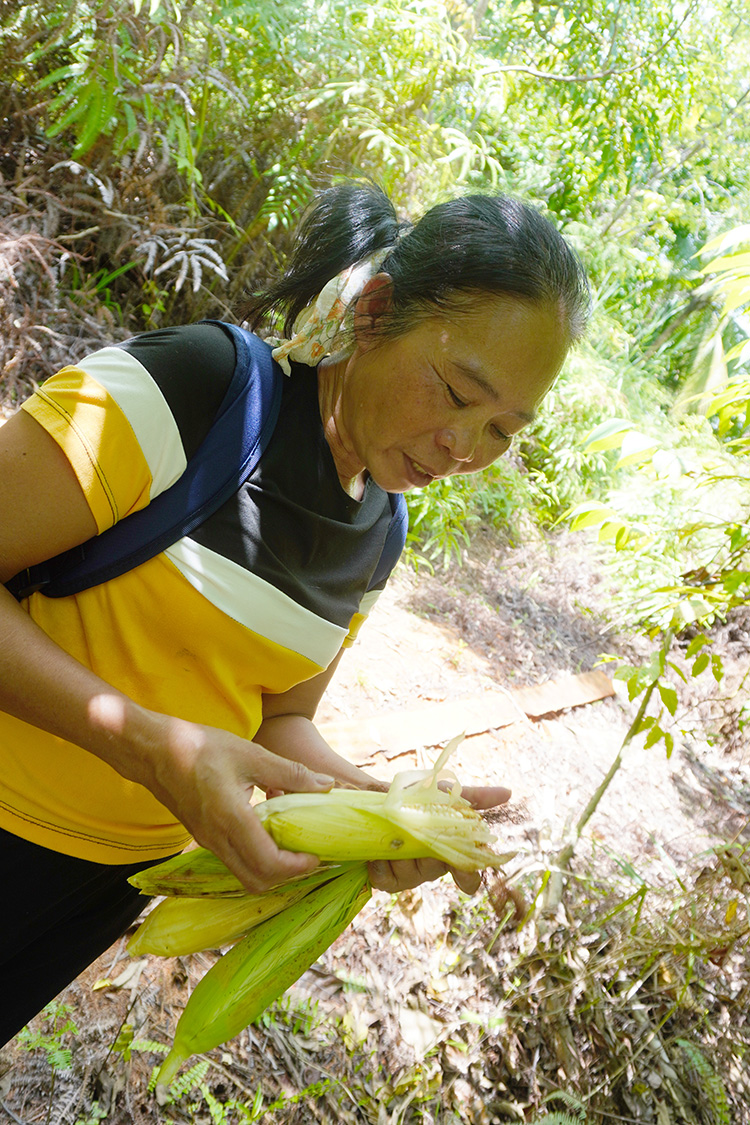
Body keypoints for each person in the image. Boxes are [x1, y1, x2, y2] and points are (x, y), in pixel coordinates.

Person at [0, 182, 589, 1045]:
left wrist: (388, 811)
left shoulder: (378, 530)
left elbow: (279, 720)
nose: (464, 449)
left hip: (102, 886)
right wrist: (150, 745)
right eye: (457, 392)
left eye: (503, 428)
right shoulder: (196, 391)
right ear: (377, 312)